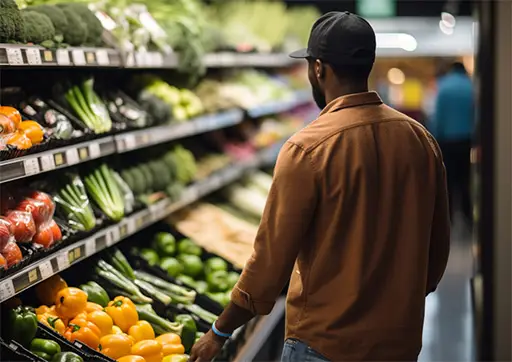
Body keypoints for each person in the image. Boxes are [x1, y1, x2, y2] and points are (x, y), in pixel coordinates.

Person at [190, 11, 450, 362]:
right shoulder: (421, 140)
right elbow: (436, 253)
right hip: (398, 345)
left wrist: (220, 330)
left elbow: (269, 264)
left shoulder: (307, 148)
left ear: (318, 69)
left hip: (324, 346)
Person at [430, 62, 474, 225]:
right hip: (466, 140)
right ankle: (468, 216)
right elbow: (476, 115)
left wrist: (434, 139)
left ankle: (449, 219)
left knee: (448, 180)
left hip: (446, 141)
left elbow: (437, 117)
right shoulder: (471, 86)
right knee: (464, 180)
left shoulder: (443, 87)